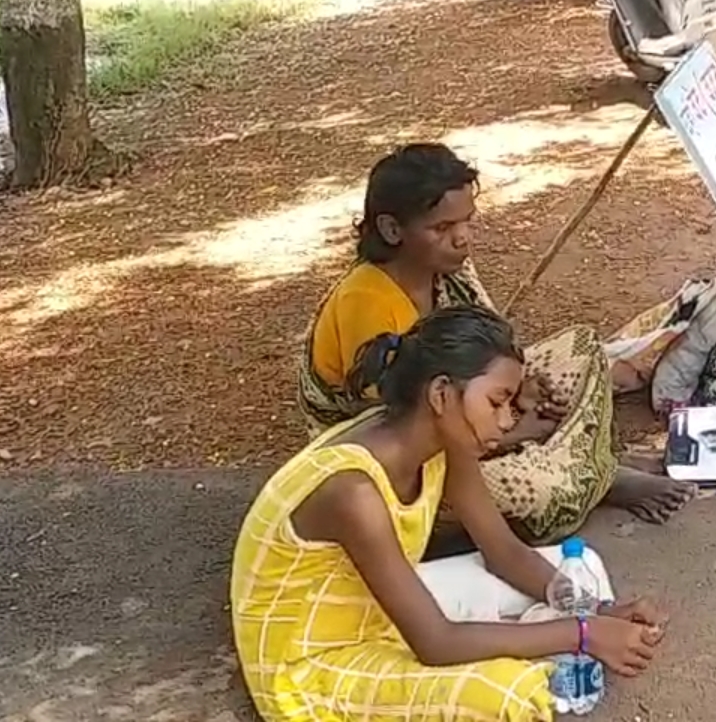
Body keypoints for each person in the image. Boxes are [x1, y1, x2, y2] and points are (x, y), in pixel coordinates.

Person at [235, 305, 668, 722]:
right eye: (497, 402)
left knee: (578, 569)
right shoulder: (353, 492)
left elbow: (502, 551)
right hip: (311, 663)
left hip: (370, 607)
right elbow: (435, 643)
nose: (505, 422)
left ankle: (541, 631)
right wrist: (583, 634)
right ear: (441, 393)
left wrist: (594, 611)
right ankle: (539, 638)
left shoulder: (441, 438)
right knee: (509, 694)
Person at [301, 143, 697, 542]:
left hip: (465, 408)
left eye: (466, 222)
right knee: (539, 495)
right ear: (391, 230)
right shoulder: (367, 303)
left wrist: (518, 390)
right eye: (442, 229)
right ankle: (596, 473)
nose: (462, 239)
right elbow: (410, 429)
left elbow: (491, 345)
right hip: (414, 454)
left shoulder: (447, 269)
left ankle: (579, 463)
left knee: (583, 349)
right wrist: (516, 430)